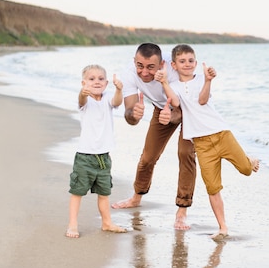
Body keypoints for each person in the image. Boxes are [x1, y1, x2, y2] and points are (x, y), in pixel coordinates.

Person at [155, 44, 260, 241]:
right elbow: (176, 103)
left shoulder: (202, 79)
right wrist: (163, 82)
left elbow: (202, 100)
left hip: (221, 135)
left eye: (191, 60)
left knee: (246, 170)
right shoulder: (174, 86)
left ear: (196, 62)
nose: (187, 64)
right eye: (182, 61)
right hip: (201, 144)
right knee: (212, 187)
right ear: (174, 65)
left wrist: (209, 80)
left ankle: (249, 160)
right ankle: (222, 227)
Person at [111, 43, 197, 230]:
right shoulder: (129, 73)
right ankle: (136, 197)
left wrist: (173, 116)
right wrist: (134, 114)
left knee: (185, 153)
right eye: (139, 66)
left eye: (151, 67)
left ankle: (182, 211)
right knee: (148, 157)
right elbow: (129, 116)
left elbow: (186, 107)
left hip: (191, 109)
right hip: (162, 107)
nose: (144, 72)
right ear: (134, 62)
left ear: (162, 63)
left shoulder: (175, 70)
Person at [66, 64, 127, 238]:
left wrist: (119, 89)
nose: (96, 82)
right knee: (77, 192)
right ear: (84, 82)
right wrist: (83, 93)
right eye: (91, 79)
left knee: (104, 193)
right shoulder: (85, 101)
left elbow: (116, 102)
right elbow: (81, 101)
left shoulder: (108, 97)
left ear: (106, 82)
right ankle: (72, 224)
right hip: (85, 156)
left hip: (104, 156)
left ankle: (107, 222)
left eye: (100, 79)